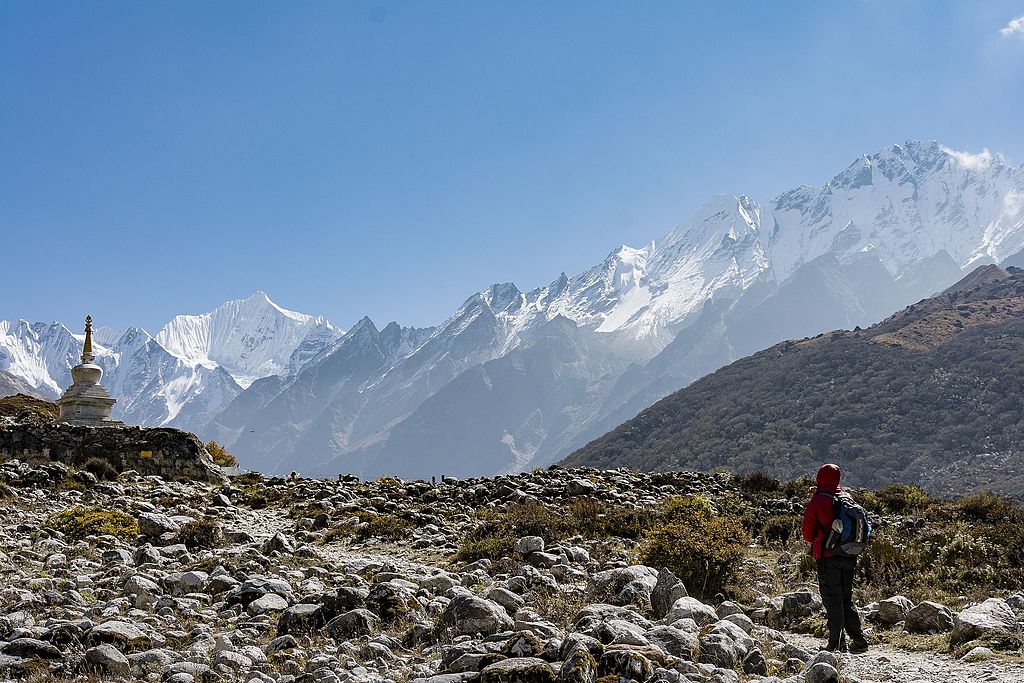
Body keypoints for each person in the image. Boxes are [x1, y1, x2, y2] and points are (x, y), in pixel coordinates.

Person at [802, 463, 869, 653]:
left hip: (827, 556)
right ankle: (858, 639)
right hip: (849, 554)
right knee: (846, 598)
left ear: (819, 478)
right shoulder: (847, 497)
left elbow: (807, 533)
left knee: (832, 598)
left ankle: (836, 642)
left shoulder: (818, 500)